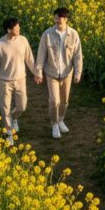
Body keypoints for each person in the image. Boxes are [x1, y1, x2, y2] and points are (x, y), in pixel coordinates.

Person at [35, 7, 83, 139]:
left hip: (67, 73)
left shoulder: (73, 34)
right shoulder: (47, 34)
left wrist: (78, 73)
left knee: (64, 101)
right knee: (54, 101)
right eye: (55, 18)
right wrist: (38, 72)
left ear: (66, 19)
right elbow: (41, 54)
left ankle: (61, 119)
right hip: (51, 72)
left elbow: (78, 55)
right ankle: (55, 124)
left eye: (59, 18)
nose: (57, 20)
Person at [0, 17, 37, 146]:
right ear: (9, 30)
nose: (19, 28)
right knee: (5, 108)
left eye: (18, 25)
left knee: (22, 106)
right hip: (4, 81)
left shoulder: (23, 40)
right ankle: (9, 133)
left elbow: (29, 59)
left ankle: (13, 117)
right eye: (16, 27)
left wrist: (36, 73)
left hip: (20, 79)